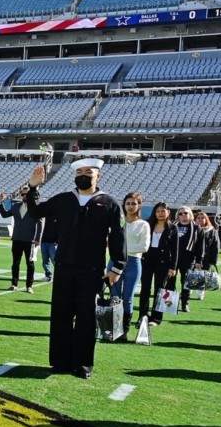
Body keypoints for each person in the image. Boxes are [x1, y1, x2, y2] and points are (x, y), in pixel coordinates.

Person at [26, 159, 125, 378]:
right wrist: (33, 188)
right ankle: (60, 361)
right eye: (79, 171)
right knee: (60, 315)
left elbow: (118, 236)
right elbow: (35, 212)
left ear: (98, 176)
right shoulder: (63, 199)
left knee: (86, 318)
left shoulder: (109, 203)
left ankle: (82, 364)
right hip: (63, 267)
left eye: (88, 172)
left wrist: (117, 267)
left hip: (92, 270)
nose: (83, 175)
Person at [114, 193, 151, 335]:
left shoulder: (144, 224)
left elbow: (144, 247)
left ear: (139, 205)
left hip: (133, 262)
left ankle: (124, 330)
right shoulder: (119, 221)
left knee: (127, 297)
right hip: (115, 262)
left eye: (133, 203)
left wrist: (123, 249)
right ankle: (113, 328)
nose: (130, 206)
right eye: (128, 203)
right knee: (114, 296)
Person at [0, 186, 44, 292]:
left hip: (30, 240)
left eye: (26, 194)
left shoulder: (35, 207)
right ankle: (14, 284)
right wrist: (1, 203)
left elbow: (40, 222)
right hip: (17, 238)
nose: (24, 196)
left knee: (30, 263)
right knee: (15, 263)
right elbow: (5, 215)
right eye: (23, 194)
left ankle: (29, 286)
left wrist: (38, 238)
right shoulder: (16, 206)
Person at [141, 203, 175, 326]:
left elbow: (174, 249)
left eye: (163, 211)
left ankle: (156, 318)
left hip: (163, 262)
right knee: (145, 289)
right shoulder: (148, 225)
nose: (160, 213)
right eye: (158, 211)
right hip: (147, 259)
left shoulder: (172, 228)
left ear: (168, 212)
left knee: (159, 290)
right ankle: (143, 316)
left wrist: (173, 267)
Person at [169, 206, 201, 312]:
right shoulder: (172, 227)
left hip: (188, 259)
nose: (183, 215)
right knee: (170, 281)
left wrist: (199, 260)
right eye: (180, 213)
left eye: (185, 213)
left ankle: (185, 303)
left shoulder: (196, 228)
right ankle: (171, 303)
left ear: (190, 214)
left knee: (186, 282)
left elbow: (201, 246)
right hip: (173, 258)